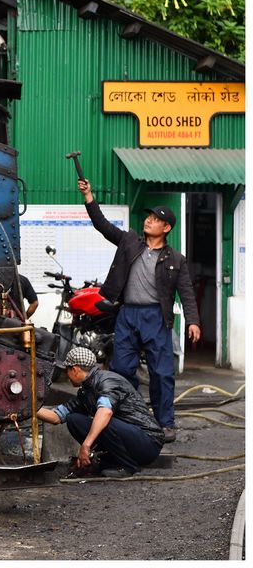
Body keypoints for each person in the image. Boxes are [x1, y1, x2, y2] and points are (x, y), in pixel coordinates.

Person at [78, 178, 200, 443]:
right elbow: (102, 226)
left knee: (162, 373)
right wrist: (89, 196)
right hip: (128, 315)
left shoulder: (175, 259)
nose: (149, 221)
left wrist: (193, 321)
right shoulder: (130, 242)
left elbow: (187, 291)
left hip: (156, 318)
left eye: (156, 219)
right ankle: (130, 417)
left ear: (166, 228)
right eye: (149, 217)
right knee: (122, 369)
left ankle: (165, 423)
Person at [37, 347, 164, 479]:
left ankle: (127, 466)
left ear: (75, 369)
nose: (66, 376)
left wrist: (86, 445)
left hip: (148, 442)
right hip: (130, 438)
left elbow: (105, 412)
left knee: (103, 422)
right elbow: (56, 417)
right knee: (74, 420)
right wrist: (29, 410)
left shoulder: (107, 381)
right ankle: (108, 462)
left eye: (66, 370)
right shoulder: (86, 391)